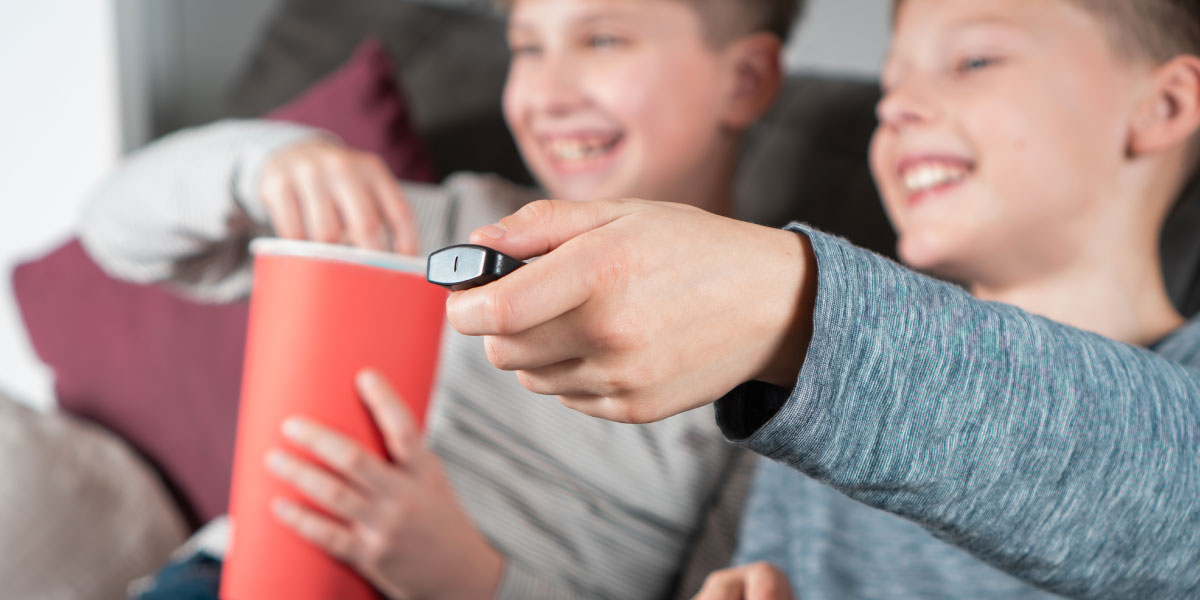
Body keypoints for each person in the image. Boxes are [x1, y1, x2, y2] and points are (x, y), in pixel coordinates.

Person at [444, 0, 1200, 598]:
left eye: (974, 61)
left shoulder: (810, 362)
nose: (895, 107)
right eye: (893, 82)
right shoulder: (799, 419)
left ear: (1163, 106)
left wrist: (801, 313)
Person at [82, 0, 801, 598]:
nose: (547, 94)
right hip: (242, 576)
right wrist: (264, 163)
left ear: (744, 81)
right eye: (526, 46)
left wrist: (466, 578)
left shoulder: (768, 351)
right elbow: (113, 230)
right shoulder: (442, 225)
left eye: (602, 39)